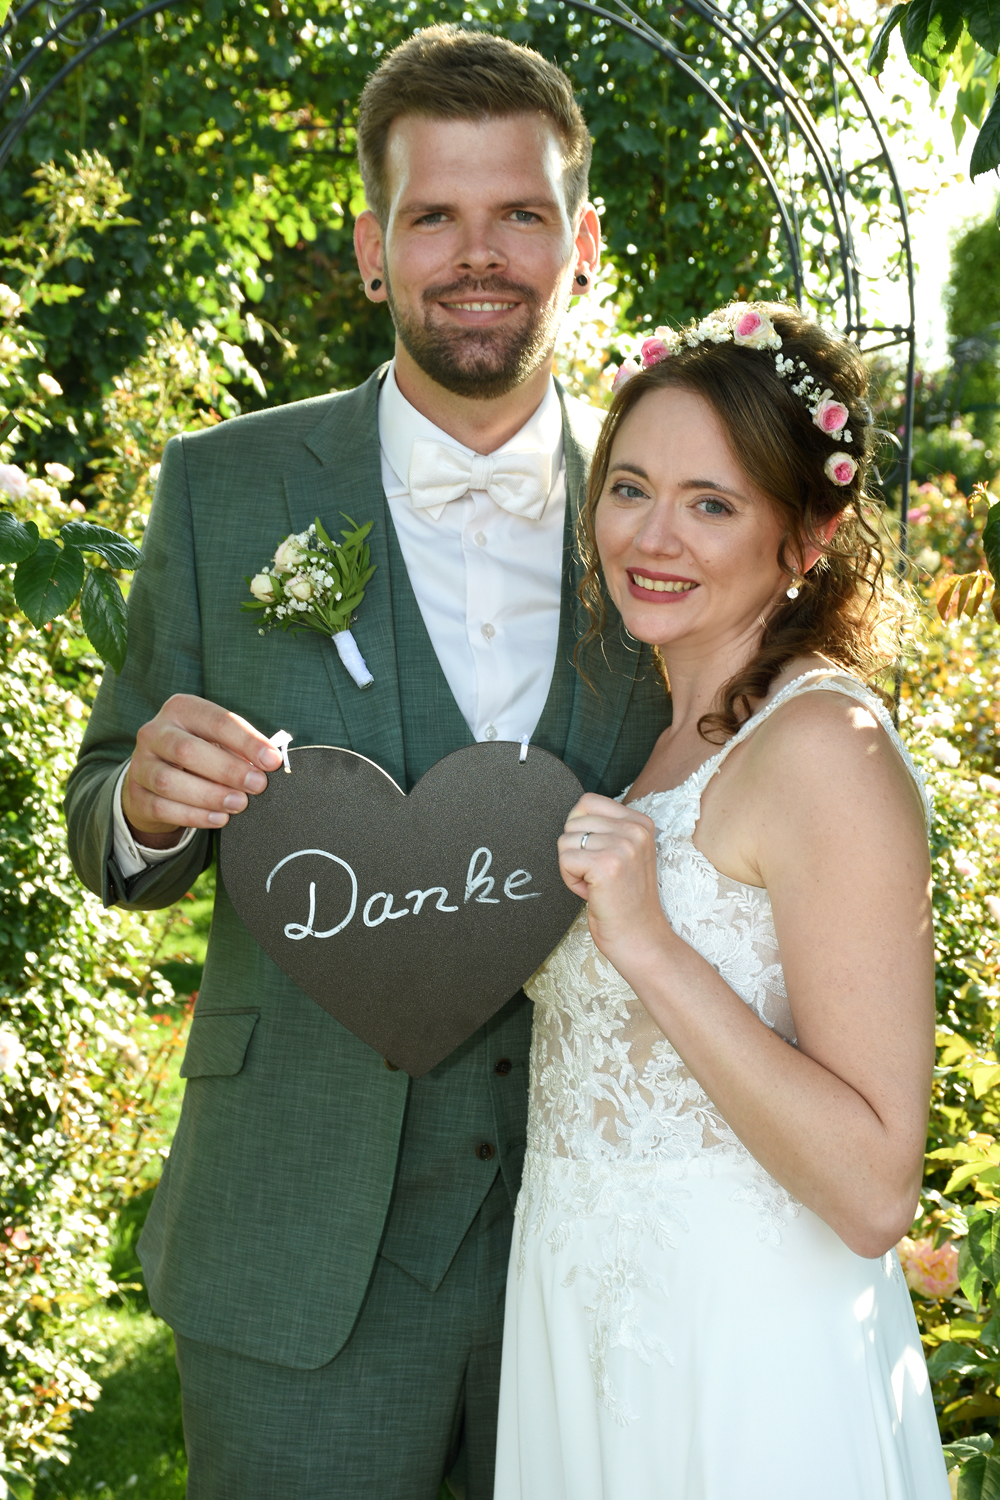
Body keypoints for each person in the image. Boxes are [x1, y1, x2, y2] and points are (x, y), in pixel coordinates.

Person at [64, 26, 670, 1500]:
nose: (479, 256)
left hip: (606, 1252)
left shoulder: (676, 510)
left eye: (520, 212)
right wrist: (145, 802)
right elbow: (102, 818)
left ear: (583, 243)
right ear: (370, 248)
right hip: (294, 1236)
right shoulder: (224, 487)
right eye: (433, 215)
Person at [494, 302, 951, 1499]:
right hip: (584, 1330)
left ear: (809, 533)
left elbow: (874, 1190)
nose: (653, 536)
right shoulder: (663, 750)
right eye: (630, 488)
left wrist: (649, 945)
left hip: (742, 1362)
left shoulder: (823, 748)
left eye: (711, 503)